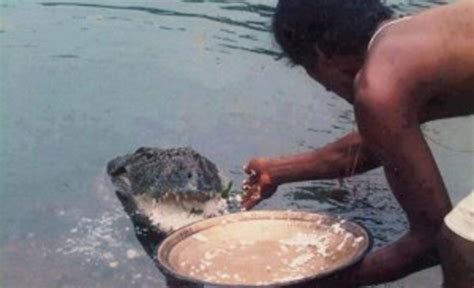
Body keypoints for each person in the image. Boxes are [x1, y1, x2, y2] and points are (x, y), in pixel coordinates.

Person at [240, 0, 474, 286]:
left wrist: (313, 282)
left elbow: (429, 241)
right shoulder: (407, 41)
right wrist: (278, 171)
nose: (324, 87)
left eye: (307, 68)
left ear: (321, 54)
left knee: (460, 241)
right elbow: (383, 142)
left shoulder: (377, 85)